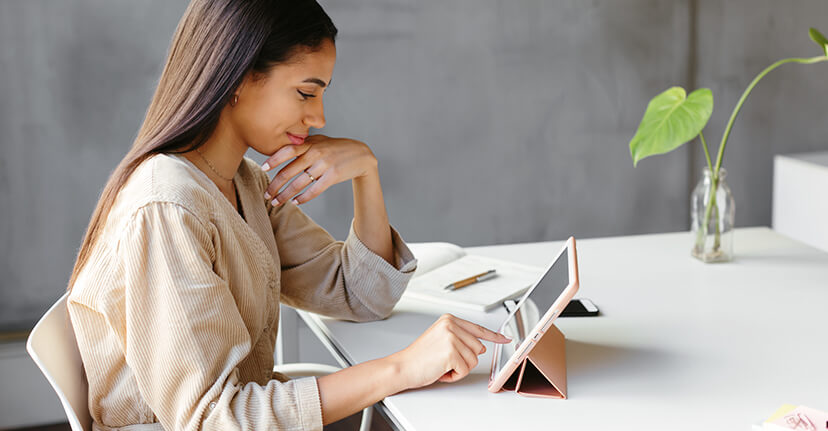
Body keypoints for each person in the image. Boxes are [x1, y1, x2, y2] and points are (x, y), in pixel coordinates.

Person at [65, 0, 511, 430]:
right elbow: (214, 421)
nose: (318, 116)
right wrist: (400, 368)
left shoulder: (244, 183)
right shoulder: (167, 208)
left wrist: (365, 171)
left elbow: (362, 296)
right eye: (305, 92)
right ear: (236, 77)